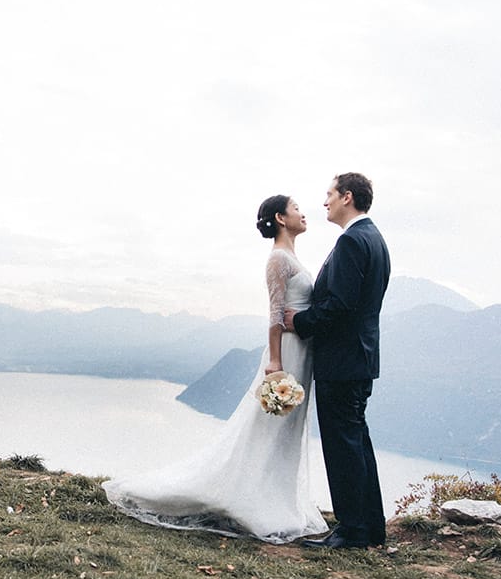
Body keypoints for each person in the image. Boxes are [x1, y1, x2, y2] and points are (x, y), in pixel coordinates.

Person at [102, 195, 328, 543]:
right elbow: (274, 313)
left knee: (287, 430)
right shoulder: (278, 259)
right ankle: (249, 499)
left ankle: (277, 501)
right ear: (281, 218)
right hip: (286, 352)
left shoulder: (293, 257)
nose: (303, 212)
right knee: (267, 428)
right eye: (296, 208)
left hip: (303, 350)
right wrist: (275, 361)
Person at [284, 172, 391, 550]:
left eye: (329, 194)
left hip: (342, 361)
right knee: (356, 442)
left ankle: (351, 530)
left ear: (347, 197)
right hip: (360, 358)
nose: (324, 201)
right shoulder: (375, 240)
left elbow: (340, 305)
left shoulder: (351, 242)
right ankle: (370, 526)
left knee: (343, 445)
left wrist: (300, 321)